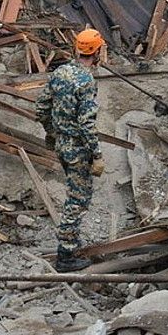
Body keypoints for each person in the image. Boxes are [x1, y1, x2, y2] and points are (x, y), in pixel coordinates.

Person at [36, 28, 106, 271]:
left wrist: (51, 132)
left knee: (74, 195)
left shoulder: (60, 72)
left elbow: (41, 106)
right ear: (96, 52)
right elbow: (86, 124)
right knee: (77, 200)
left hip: (62, 145)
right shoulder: (86, 82)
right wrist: (97, 155)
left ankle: (71, 242)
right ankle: (65, 255)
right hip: (78, 150)